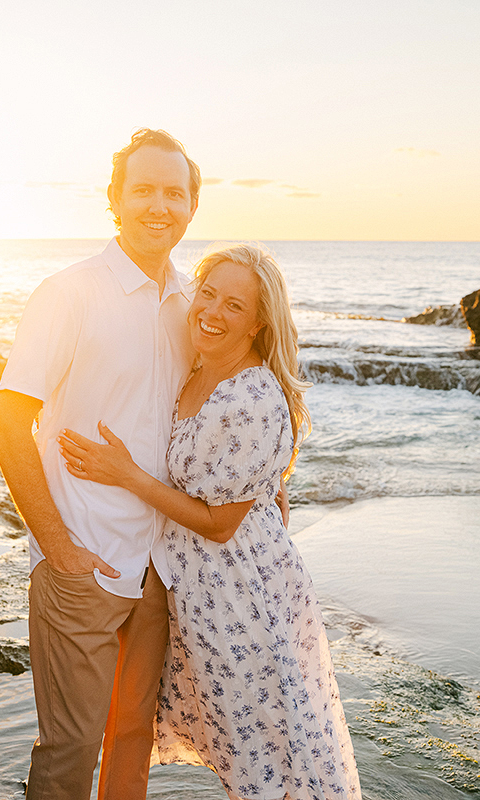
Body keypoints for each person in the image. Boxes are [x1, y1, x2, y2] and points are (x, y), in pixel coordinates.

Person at [59, 244, 362, 800]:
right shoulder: (196, 366)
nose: (213, 313)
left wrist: (123, 474)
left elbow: (220, 524)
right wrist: (272, 480)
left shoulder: (252, 394)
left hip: (242, 593)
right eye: (208, 295)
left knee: (266, 754)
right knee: (228, 739)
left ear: (258, 323)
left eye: (234, 306)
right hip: (189, 583)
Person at [0, 128, 200, 800]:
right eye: (143, 190)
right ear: (114, 198)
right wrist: (57, 546)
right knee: (70, 750)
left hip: (161, 568)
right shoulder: (68, 293)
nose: (158, 206)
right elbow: (6, 422)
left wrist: (272, 487)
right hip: (83, 561)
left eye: (174, 192)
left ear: (193, 205)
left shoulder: (195, 305)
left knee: (134, 737)